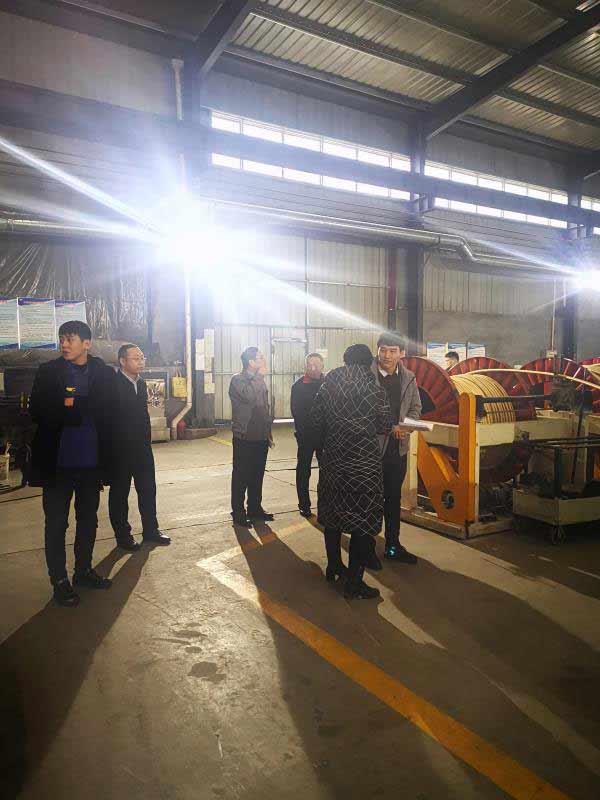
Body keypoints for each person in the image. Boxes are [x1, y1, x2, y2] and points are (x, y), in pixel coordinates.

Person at [28, 320, 114, 607]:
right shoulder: (48, 372)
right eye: (62, 339)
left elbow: (108, 411)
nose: (64, 344)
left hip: (91, 463)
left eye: (70, 339)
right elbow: (37, 411)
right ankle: (59, 581)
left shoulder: (102, 372)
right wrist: (76, 408)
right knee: (56, 523)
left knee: (88, 519)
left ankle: (83, 570)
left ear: (86, 343)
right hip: (57, 464)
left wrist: (70, 403)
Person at [310, 344, 392, 600]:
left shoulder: (328, 386)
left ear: (345, 362)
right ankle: (354, 584)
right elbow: (385, 425)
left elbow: (315, 421)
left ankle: (334, 566)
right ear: (369, 364)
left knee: (332, 515)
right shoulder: (376, 390)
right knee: (362, 522)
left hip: (334, 461)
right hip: (364, 466)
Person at [108, 344, 171, 551]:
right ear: (122, 361)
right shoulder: (112, 384)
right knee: (120, 493)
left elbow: (143, 415)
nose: (141, 361)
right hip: (120, 449)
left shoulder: (142, 383)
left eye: (142, 357)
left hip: (142, 447)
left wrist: (147, 439)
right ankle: (123, 536)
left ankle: (151, 530)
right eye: (136, 358)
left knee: (148, 489)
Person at [373, 333, 422, 563]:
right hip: (371, 449)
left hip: (397, 449)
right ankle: (366, 547)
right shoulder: (367, 376)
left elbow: (415, 408)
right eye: (383, 350)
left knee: (393, 498)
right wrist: (388, 428)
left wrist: (405, 427)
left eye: (393, 351)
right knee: (371, 499)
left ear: (402, 353)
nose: (387, 355)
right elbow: (360, 412)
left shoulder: (409, 378)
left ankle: (392, 545)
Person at [229, 347, 275, 527]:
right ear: (251, 362)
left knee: (257, 475)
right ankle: (238, 512)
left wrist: (267, 432)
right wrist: (260, 376)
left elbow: (264, 407)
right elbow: (250, 397)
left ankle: (255, 508)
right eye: (260, 357)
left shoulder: (258, 380)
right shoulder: (237, 380)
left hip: (260, 436)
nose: (263, 360)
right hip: (244, 436)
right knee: (241, 476)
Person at [291, 352, 325, 517]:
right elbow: (297, 413)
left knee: (326, 472)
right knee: (304, 470)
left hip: (325, 436)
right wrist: (305, 433)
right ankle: (304, 504)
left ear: (322, 366)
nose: (313, 368)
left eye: (316, 365)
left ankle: (324, 505)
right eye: (310, 365)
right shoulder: (298, 386)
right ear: (305, 366)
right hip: (306, 436)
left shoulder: (329, 384)